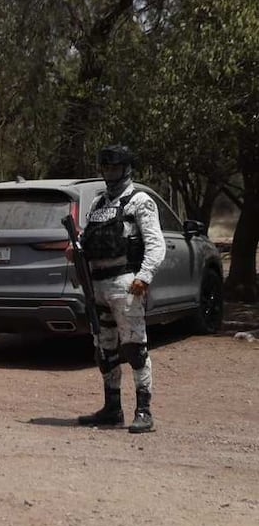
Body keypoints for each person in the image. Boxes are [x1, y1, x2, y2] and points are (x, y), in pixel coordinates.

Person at [75, 144, 165, 433]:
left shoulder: (140, 201)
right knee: (105, 350)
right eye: (106, 168)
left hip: (126, 284)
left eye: (115, 168)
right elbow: (88, 238)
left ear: (126, 168)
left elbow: (155, 243)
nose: (110, 173)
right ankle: (112, 409)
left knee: (135, 348)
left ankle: (144, 411)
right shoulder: (99, 203)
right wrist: (75, 250)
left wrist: (145, 275)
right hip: (97, 286)